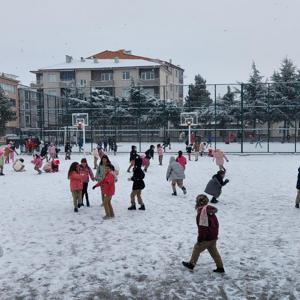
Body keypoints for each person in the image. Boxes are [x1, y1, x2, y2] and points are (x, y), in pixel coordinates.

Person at [182, 194, 225, 273]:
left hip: (207, 237)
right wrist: (215, 235)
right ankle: (220, 268)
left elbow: (202, 228)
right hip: (213, 236)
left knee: (197, 248)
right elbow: (216, 224)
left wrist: (200, 239)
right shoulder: (210, 211)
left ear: (198, 203)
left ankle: (191, 264)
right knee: (214, 252)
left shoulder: (202, 213)